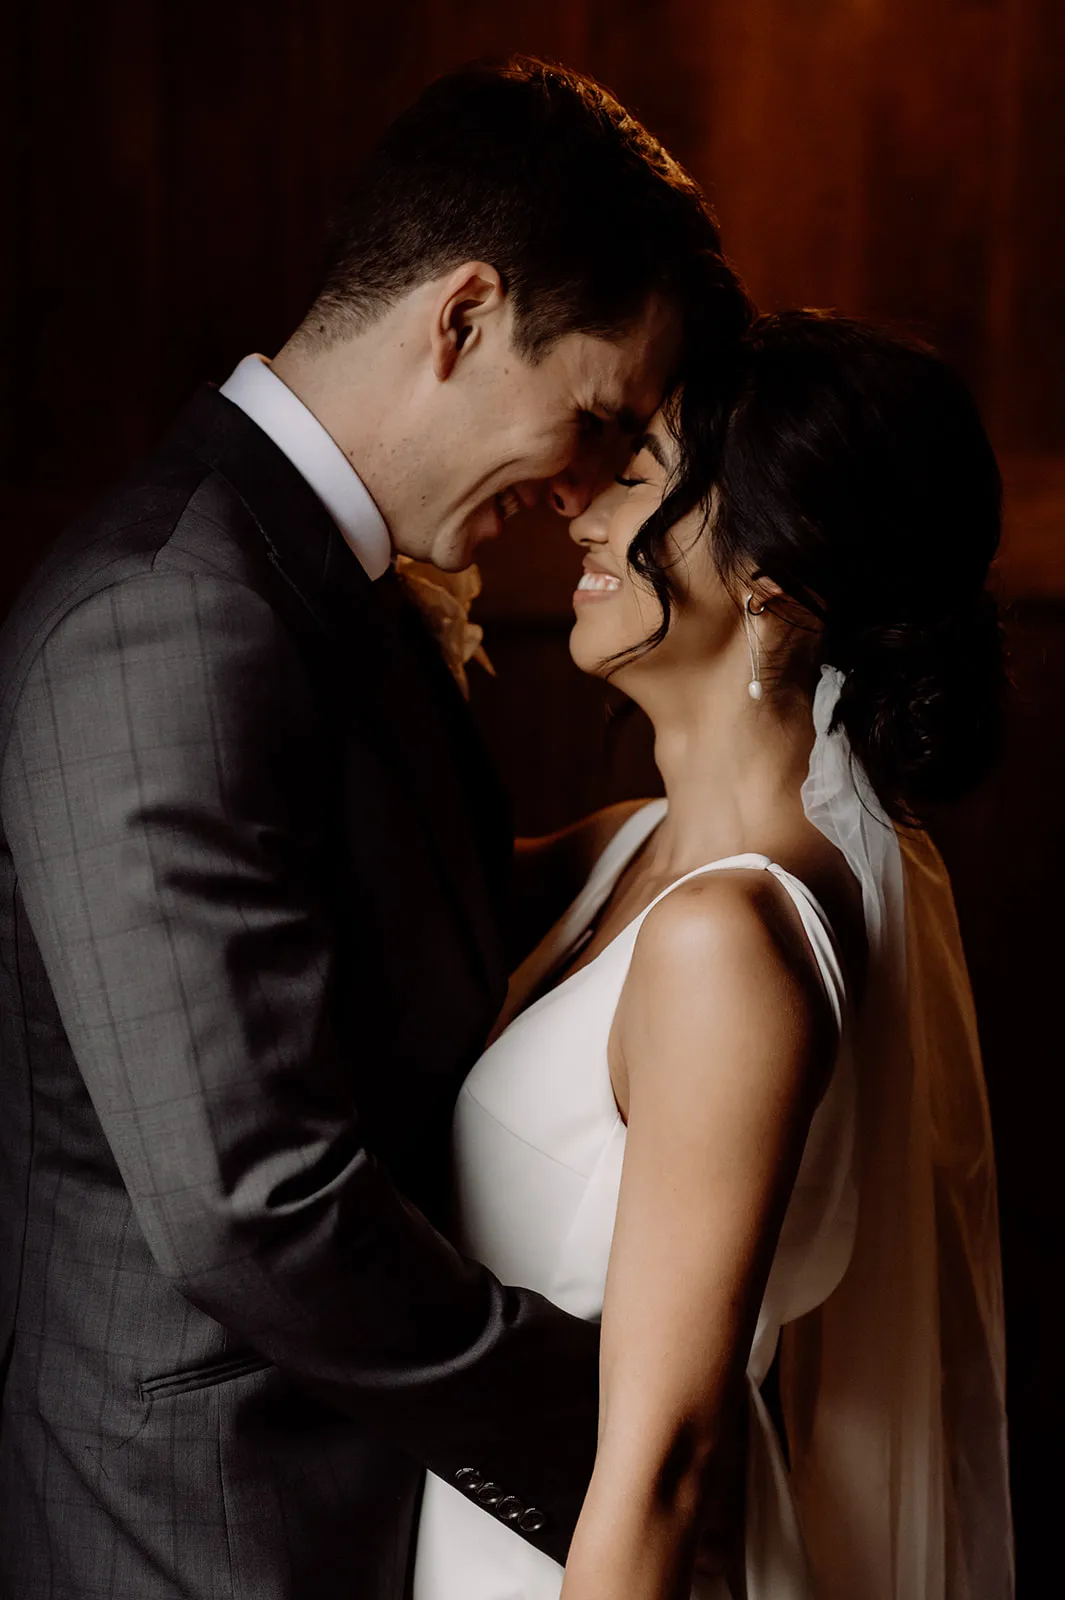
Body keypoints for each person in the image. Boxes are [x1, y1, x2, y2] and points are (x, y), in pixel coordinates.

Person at [0, 58, 749, 1600]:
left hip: (343, 1481)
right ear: (463, 318)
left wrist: (653, 852)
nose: (591, 488)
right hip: (203, 1525)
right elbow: (249, 1203)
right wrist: (627, 1437)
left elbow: (376, 927)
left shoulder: (312, 574)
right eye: (595, 416)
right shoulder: (171, 615)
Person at [413, 311, 1013, 1599]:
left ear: (767, 582)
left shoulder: (726, 946)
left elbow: (669, 1458)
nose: (580, 513)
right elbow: (371, 898)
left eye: (637, 480)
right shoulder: (628, 857)